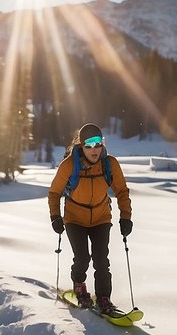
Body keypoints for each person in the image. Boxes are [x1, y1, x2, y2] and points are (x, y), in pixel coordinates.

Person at [48, 123, 133, 315]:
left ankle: (104, 298)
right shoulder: (69, 165)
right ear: (81, 146)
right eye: (88, 145)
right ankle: (79, 284)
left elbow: (121, 191)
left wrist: (126, 217)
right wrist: (55, 217)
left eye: (98, 144)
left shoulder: (110, 164)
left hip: (101, 217)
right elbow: (54, 192)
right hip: (74, 218)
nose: (94, 150)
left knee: (102, 260)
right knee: (83, 257)